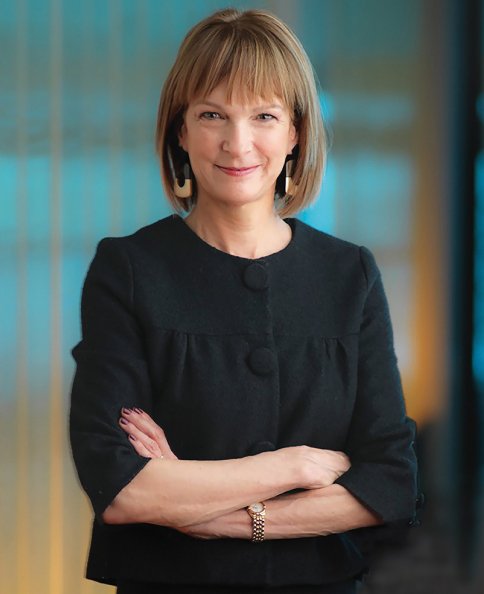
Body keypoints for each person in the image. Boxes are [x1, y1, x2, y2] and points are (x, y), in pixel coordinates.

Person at [69, 7, 419, 594]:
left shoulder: (348, 274)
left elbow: (389, 482)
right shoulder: (128, 270)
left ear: (295, 132)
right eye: (212, 114)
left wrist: (215, 516)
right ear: (180, 130)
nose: (238, 142)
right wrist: (293, 466)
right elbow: (121, 487)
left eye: (264, 115)